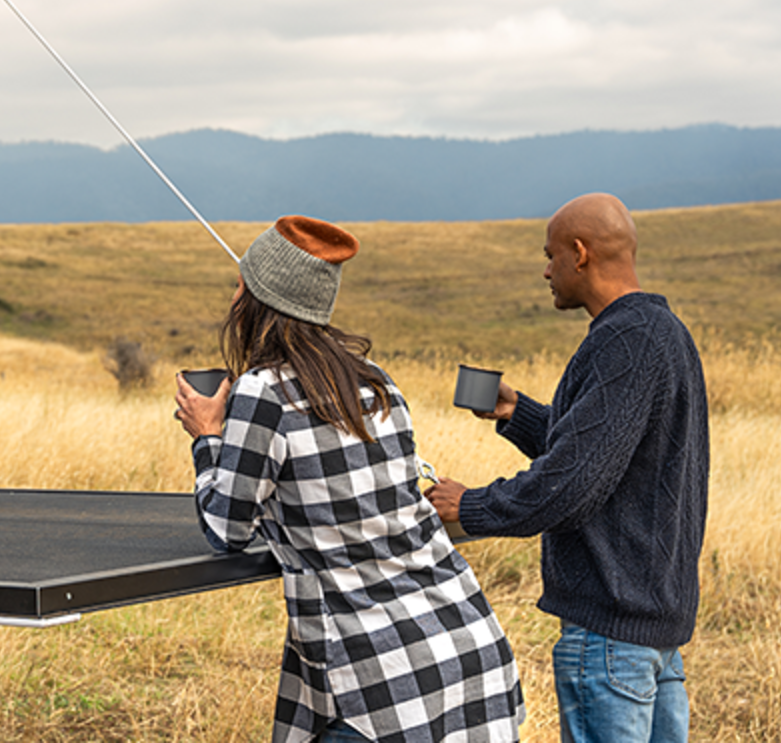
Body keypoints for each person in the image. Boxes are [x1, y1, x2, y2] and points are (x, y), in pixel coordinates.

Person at [177, 215, 523, 743]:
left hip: (383, 681)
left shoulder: (262, 391)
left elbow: (227, 529)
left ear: (260, 302)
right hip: (469, 647)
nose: (232, 299)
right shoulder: (377, 381)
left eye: (241, 286)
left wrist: (207, 437)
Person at [424, 193, 709, 743]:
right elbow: (609, 452)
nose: (546, 271)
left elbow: (573, 485)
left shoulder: (623, 339)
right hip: (653, 634)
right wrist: (517, 413)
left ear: (579, 253)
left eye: (550, 255)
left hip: (610, 635)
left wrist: (471, 506)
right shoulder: (663, 331)